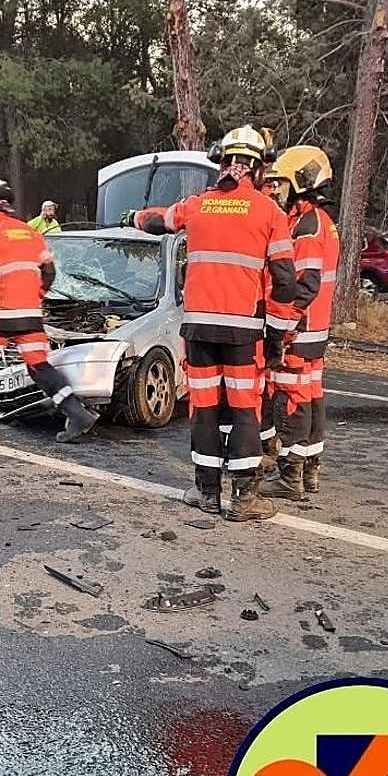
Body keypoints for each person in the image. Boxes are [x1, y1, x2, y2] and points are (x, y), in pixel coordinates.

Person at [121, 126, 297, 521]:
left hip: (198, 331)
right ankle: (245, 500)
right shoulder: (270, 213)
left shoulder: (198, 205)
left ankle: (206, 493)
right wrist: (278, 335)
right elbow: (285, 281)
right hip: (242, 333)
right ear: (259, 168)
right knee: (243, 409)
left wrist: (132, 217)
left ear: (222, 163)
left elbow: (158, 220)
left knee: (204, 408)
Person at [0, 176, 98, 442]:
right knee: (39, 365)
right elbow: (49, 272)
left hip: (1, 315)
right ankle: (76, 413)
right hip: (31, 315)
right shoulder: (32, 233)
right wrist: (35, 297)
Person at [259, 145, 339, 500]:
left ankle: (289, 474)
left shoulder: (307, 226)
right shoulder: (319, 221)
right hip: (314, 329)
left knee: (290, 397)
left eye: (281, 183)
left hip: (299, 329)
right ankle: (309, 471)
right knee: (311, 394)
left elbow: (303, 285)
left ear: (301, 183)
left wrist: (282, 327)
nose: (276, 189)